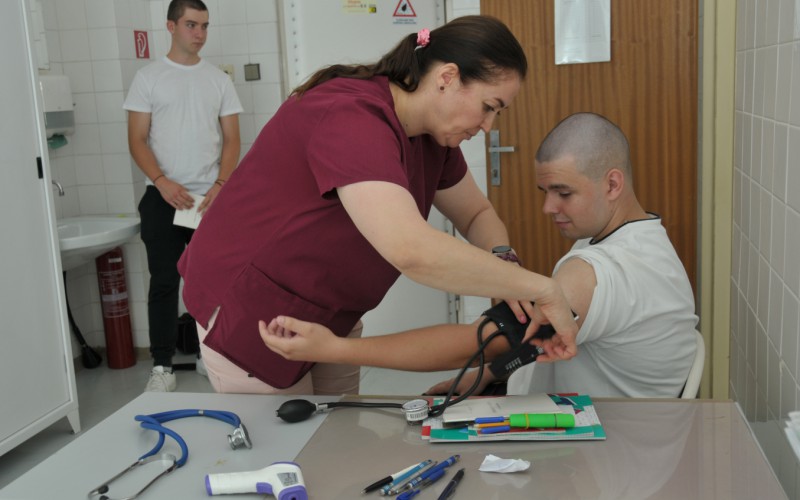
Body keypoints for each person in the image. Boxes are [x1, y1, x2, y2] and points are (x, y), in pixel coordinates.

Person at [177, 15, 579, 396]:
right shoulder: (352, 117)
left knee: (337, 440)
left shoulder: (433, 137)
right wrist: (539, 288)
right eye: (489, 107)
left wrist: (505, 266)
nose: (489, 125)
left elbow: (476, 214)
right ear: (447, 78)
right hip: (255, 306)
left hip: (330, 310)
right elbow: (411, 251)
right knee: (288, 454)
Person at [261, 112, 699, 398]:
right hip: (625, 433)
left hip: (606, 454)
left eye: (564, 193)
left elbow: (479, 341)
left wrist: (333, 348)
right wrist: (487, 375)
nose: (548, 208)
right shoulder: (643, 240)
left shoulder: (599, 272)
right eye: (545, 192)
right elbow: (528, 344)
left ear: (613, 184)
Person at [124, 0, 242, 392]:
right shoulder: (149, 77)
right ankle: (162, 368)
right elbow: (137, 140)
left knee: (213, 281)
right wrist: (161, 180)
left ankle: (215, 357)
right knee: (163, 281)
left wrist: (220, 186)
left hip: (209, 199)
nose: (200, 33)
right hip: (163, 197)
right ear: (171, 26)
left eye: (205, 26)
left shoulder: (218, 80)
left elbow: (232, 141)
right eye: (192, 24)